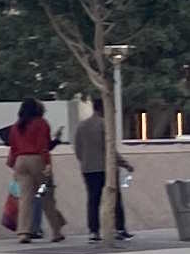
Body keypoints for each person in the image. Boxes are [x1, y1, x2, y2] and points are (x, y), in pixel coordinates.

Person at [75, 97, 133, 244]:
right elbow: (110, 149)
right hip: (106, 168)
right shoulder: (104, 125)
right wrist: (125, 164)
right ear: (104, 108)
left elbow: (78, 149)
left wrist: (85, 161)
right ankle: (119, 229)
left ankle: (93, 231)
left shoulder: (81, 126)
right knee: (114, 199)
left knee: (93, 200)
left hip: (88, 168)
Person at [7, 98, 66, 243]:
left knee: (25, 199)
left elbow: (13, 147)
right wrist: (47, 164)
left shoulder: (16, 126)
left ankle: (23, 232)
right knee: (46, 195)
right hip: (37, 160)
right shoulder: (41, 123)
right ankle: (56, 231)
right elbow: (43, 146)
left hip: (20, 162)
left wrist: (13, 165)